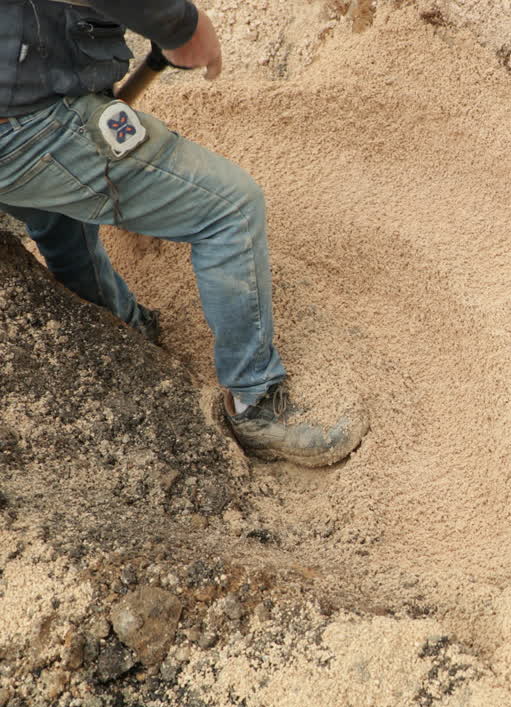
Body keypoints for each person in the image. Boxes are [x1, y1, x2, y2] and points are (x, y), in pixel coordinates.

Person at [0, 0, 367, 467]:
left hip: (14, 118)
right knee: (230, 208)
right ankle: (255, 405)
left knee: (56, 213)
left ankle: (125, 335)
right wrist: (180, 25)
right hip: (23, 124)